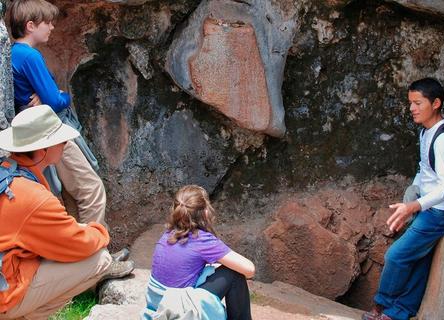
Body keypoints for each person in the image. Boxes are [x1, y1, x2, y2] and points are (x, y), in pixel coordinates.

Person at [0, 105, 133, 320]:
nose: (65, 145)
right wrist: (98, 231)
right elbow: (80, 245)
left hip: (7, 269)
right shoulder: (34, 198)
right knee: (100, 259)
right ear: (45, 149)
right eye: (62, 141)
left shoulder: (7, 171)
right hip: (5, 294)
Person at [7, 0, 106, 228]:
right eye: (48, 23)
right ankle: (99, 255)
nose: (52, 27)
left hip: (34, 136)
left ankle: (78, 249)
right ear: (30, 25)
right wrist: (65, 95)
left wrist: (47, 96)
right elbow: (55, 101)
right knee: (92, 189)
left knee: (70, 194)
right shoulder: (29, 56)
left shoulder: (12, 53)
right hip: (49, 132)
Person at [362, 78, 444, 320]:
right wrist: (413, 192)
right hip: (429, 206)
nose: (412, 108)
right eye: (410, 103)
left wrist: (413, 206)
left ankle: (382, 305)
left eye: (418, 103)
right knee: (419, 259)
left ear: (436, 103)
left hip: (442, 212)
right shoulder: (427, 131)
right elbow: (425, 169)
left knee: (397, 255)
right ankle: (399, 313)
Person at [143, 185, 255, 320]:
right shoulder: (201, 240)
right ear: (206, 212)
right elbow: (249, 269)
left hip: (157, 304)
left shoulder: (167, 234)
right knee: (233, 274)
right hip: (177, 310)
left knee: (210, 269)